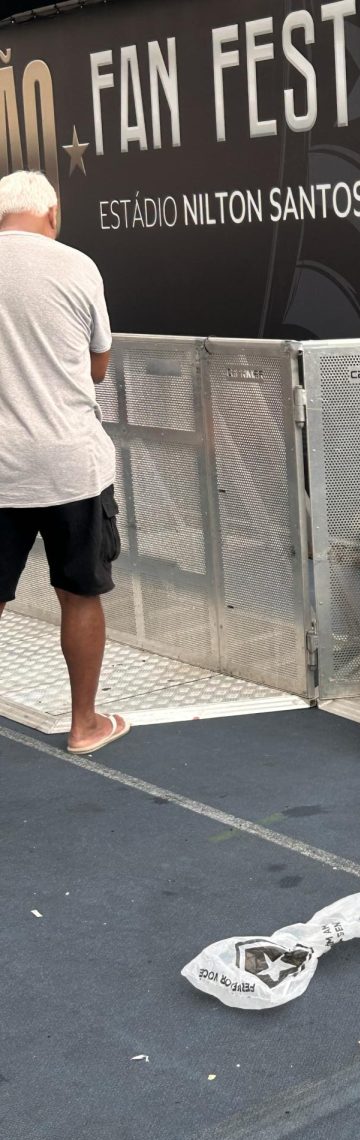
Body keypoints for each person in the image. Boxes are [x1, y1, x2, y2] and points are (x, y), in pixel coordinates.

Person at [0, 170, 129, 754]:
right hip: (72, 464)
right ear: (51, 214)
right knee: (80, 595)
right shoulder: (77, 266)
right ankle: (84, 726)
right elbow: (99, 365)